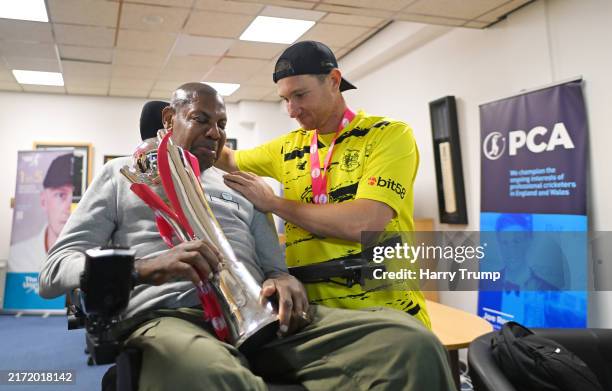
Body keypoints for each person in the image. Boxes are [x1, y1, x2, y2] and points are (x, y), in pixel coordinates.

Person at [39, 83, 454, 390]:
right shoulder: (124, 176)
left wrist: (285, 281)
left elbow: (277, 269)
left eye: (221, 124)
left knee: (409, 341)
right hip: (173, 318)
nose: (215, 133)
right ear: (169, 120)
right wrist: (145, 266)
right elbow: (53, 272)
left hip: (260, 316)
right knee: (218, 376)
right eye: (201, 119)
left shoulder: (239, 186)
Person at [217, 41, 429, 327]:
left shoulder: (387, 136)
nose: (292, 110)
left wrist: (274, 204)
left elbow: (364, 223)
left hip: (388, 318)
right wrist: (184, 130)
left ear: (333, 81)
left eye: (300, 95)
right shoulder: (288, 147)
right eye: (284, 99)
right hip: (315, 320)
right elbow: (228, 158)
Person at [9, 153, 74, 273]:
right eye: (61, 195)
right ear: (43, 200)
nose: (69, 208)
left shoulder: (89, 255)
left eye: (75, 198)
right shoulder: (17, 257)